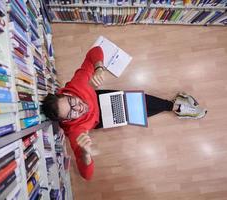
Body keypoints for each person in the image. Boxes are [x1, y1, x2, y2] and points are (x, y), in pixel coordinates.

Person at [42, 46, 207, 180]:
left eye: (72, 102)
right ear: (66, 120)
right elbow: (87, 175)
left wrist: (99, 68)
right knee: (136, 112)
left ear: (68, 94)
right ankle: (174, 106)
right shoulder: (75, 132)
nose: (78, 108)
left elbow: (95, 50)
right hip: (100, 119)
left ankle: (173, 106)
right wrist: (85, 154)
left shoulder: (77, 84)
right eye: (71, 114)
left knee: (139, 102)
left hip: (100, 97)